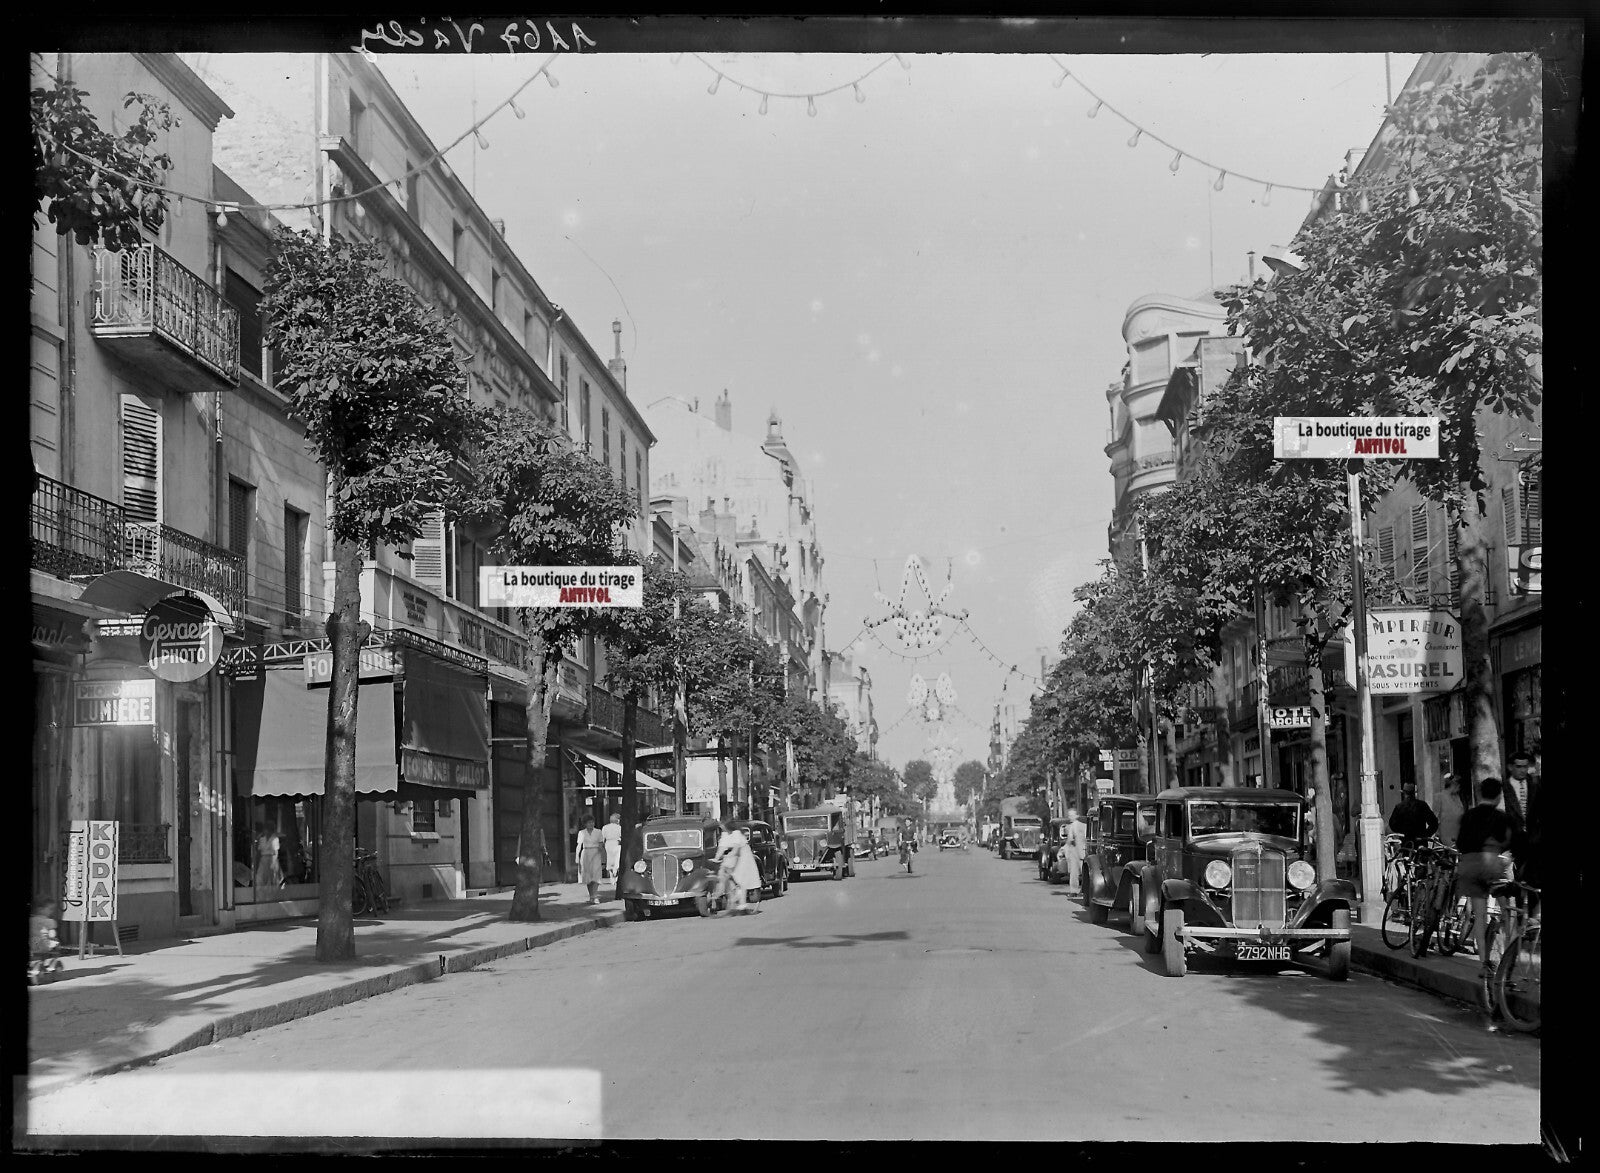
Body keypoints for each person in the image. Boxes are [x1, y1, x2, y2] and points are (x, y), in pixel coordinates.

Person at [1454, 778, 1517, 976]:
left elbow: (1461, 843)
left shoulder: (1468, 816)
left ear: (1480, 794)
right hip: (1492, 866)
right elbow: (1510, 842)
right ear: (1499, 796)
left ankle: (1484, 964)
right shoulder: (1501, 817)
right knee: (1508, 911)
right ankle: (1509, 957)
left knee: (1480, 916)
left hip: (1471, 867)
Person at [711, 816, 761, 915]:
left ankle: (742, 905)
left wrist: (730, 857)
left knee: (741, 880)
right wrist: (716, 858)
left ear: (727, 826)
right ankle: (733, 896)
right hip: (733, 857)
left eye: (722, 826)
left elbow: (736, 849)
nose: (721, 828)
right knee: (727, 876)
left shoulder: (737, 834)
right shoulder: (725, 834)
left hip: (743, 857)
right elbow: (722, 847)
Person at [1387, 782, 1439, 848]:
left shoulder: (1399, 807)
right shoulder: (1422, 805)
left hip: (1406, 841)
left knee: (1407, 857)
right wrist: (1426, 835)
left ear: (1404, 793)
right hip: (1421, 841)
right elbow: (1434, 823)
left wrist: (1402, 832)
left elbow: (1392, 824)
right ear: (1414, 793)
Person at [29, 898, 64, 983]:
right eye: (50, 909)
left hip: (32, 944)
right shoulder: (48, 921)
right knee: (55, 943)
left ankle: (36, 965)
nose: (51, 912)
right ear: (41, 909)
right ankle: (52, 966)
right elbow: (52, 934)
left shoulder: (31, 920)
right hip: (42, 944)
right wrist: (54, 939)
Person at [1054, 807, 1087, 893]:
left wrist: (1063, 850)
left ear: (1077, 816)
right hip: (1081, 851)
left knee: (1075, 873)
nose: (1070, 817)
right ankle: (1080, 891)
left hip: (1077, 851)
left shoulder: (1073, 826)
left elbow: (1069, 840)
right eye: (1069, 815)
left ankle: (1075, 891)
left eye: (1072, 815)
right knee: (1078, 873)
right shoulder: (1084, 826)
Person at [575, 815, 605, 905]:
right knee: (588, 876)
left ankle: (595, 896)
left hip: (595, 853)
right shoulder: (581, 833)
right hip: (586, 853)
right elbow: (579, 845)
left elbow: (601, 844)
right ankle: (591, 895)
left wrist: (602, 856)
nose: (591, 824)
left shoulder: (598, 832)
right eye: (589, 822)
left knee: (596, 874)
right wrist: (577, 856)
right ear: (585, 824)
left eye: (592, 822)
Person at [1435, 772, 1469, 848]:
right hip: (1445, 835)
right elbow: (1436, 816)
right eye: (1458, 786)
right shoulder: (1439, 797)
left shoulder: (1458, 798)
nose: (1459, 788)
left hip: (1458, 835)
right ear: (1454, 785)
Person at [253, 821, 284, 891]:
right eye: (265, 829)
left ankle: (272, 896)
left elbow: (276, 852)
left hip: (272, 860)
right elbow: (259, 851)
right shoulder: (261, 839)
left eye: (268, 829)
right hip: (263, 860)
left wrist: (273, 863)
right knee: (260, 878)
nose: (266, 831)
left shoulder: (275, 839)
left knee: (272, 879)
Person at [601, 813, 622, 880]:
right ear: (617, 820)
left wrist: (603, 845)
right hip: (616, 843)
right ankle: (615, 871)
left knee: (609, 859)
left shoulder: (605, 827)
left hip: (608, 843)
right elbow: (621, 836)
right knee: (617, 858)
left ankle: (611, 876)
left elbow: (602, 838)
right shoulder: (619, 827)